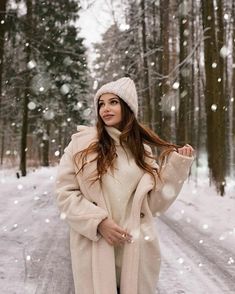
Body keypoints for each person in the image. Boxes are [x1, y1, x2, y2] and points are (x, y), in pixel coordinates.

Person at [55, 77, 194, 294]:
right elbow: (65, 195)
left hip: (135, 252)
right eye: (101, 103)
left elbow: (153, 205)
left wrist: (177, 168)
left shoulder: (142, 152)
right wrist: (99, 222)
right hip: (96, 248)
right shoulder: (81, 145)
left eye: (113, 102)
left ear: (127, 107)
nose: (105, 109)